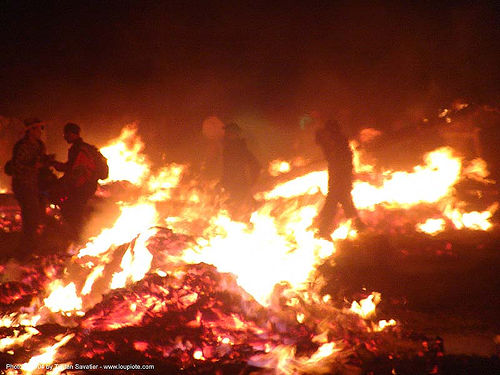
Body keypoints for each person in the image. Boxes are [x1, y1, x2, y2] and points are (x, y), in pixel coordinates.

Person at [314, 119, 365, 238]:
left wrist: (346, 179)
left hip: (339, 177)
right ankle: (358, 225)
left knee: (334, 202)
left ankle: (323, 230)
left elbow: (345, 162)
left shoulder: (339, 142)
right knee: (344, 201)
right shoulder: (334, 142)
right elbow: (320, 141)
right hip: (337, 177)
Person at [52, 122, 100, 240]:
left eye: (66, 134)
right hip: (89, 184)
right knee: (76, 211)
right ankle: (80, 237)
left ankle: (80, 238)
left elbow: (72, 169)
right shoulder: (86, 147)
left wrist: (55, 165)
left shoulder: (78, 149)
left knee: (73, 212)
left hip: (82, 186)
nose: (65, 137)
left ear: (72, 134)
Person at [10, 118, 52, 252]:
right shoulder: (22, 146)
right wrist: (33, 166)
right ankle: (25, 248)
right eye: (38, 128)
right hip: (23, 185)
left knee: (39, 216)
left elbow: (41, 163)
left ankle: (35, 245)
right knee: (30, 217)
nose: (40, 131)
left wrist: (46, 163)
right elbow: (16, 166)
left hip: (36, 186)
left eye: (41, 128)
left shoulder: (40, 145)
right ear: (30, 130)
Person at [220, 122, 261, 206]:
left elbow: (256, 165)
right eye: (226, 132)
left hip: (238, 184)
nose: (226, 134)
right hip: (233, 184)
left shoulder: (238, 148)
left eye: (228, 132)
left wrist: (252, 181)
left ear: (234, 134)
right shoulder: (228, 148)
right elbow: (226, 168)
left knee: (240, 206)